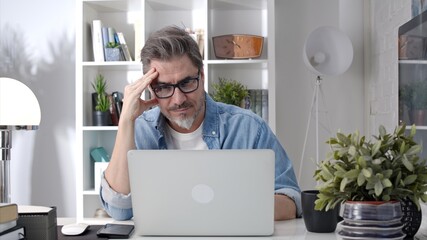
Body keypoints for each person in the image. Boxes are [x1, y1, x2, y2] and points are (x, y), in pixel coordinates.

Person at [100, 26, 302, 221]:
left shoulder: (249, 128)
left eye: (187, 83)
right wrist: (126, 121)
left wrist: (229, 209)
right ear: (151, 89)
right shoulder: (140, 130)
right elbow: (119, 210)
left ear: (202, 76)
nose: (178, 99)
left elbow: (291, 200)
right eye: (163, 87)